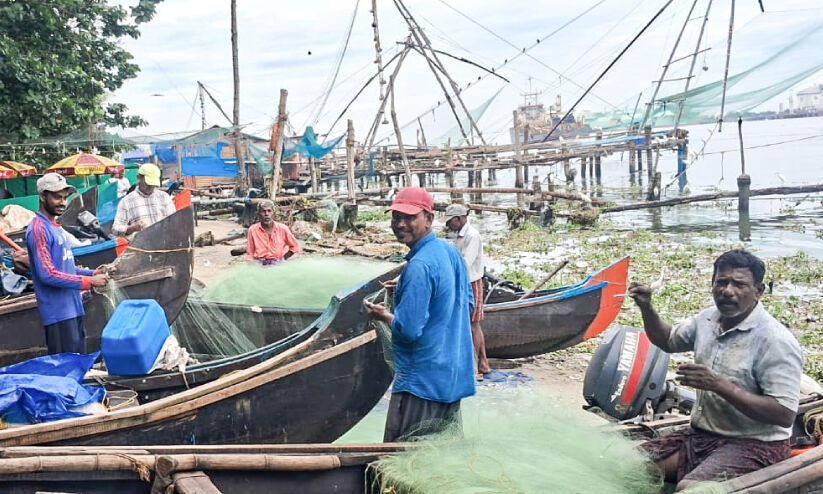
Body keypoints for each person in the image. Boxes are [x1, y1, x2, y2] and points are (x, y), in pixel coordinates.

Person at [629, 249, 803, 491]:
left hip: (756, 444)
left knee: (693, 489)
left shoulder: (775, 341)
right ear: (712, 283)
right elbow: (667, 340)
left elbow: (784, 414)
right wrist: (647, 307)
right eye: (721, 282)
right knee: (631, 466)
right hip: (701, 436)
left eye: (739, 284)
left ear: (758, 291)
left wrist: (717, 384)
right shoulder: (708, 319)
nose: (727, 290)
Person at [364, 187, 475, 442]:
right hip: (451, 375)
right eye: (396, 217)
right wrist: (405, 289)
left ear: (429, 219)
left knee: (405, 454)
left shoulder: (419, 266)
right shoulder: (449, 252)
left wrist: (383, 316)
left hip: (421, 382)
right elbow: (466, 303)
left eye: (410, 217)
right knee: (440, 452)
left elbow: (408, 330)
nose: (401, 224)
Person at [26, 173, 110, 354]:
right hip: (58, 314)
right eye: (57, 197)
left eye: (65, 198)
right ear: (43, 196)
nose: (62, 202)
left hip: (73, 308)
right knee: (66, 365)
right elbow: (47, 274)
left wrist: (92, 273)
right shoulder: (39, 229)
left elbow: (66, 267)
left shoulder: (56, 228)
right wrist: (89, 282)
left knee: (78, 361)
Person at [444, 203, 491, 376]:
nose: (449, 225)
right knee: (469, 323)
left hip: (471, 283)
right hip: (462, 282)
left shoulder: (472, 235)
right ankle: (482, 363)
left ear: (459, 219)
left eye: (450, 221)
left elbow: (464, 263)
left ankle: (479, 364)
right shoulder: (458, 235)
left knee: (473, 324)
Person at [111, 163, 175, 238]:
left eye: (153, 184)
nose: (151, 187)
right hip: (140, 244)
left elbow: (174, 221)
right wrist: (132, 228)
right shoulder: (126, 201)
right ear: (139, 178)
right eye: (148, 183)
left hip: (164, 242)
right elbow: (115, 229)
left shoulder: (164, 197)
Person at [245, 200, 301, 265]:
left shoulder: (283, 228)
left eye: (269, 211)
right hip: (260, 263)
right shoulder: (253, 230)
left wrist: (283, 259)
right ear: (258, 214)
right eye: (263, 211)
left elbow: (295, 247)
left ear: (273, 213)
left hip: (278, 262)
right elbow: (250, 253)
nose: (266, 214)